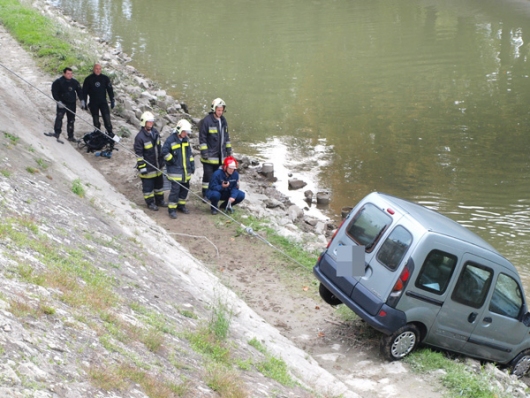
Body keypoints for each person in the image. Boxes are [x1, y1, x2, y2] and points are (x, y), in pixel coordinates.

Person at [134, 111, 167, 211]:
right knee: (148, 188)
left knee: (159, 186)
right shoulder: (140, 137)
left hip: (157, 165)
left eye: (152, 122)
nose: (151, 124)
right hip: (147, 167)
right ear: (144, 123)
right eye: (149, 122)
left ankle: (160, 200)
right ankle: (150, 203)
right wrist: (142, 167)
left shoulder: (155, 132)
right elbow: (139, 154)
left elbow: (159, 148)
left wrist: (162, 160)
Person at [162, 119, 195, 219]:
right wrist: (172, 160)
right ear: (179, 130)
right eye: (184, 132)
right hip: (175, 171)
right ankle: (172, 209)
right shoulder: (170, 140)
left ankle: (181, 206)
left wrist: (192, 165)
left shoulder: (186, 141)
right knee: (175, 190)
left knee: (184, 189)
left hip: (185, 171)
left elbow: (189, 155)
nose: (185, 134)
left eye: (187, 132)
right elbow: (164, 152)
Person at [199, 98, 232, 197]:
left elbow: (226, 136)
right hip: (209, 156)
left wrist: (228, 150)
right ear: (214, 109)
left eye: (222, 110)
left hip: (219, 156)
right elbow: (202, 138)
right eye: (218, 110)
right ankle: (205, 194)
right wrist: (204, 152)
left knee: (216, 176)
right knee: (207, 176)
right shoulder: (207, 121)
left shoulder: (223, 121)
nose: (220, 112)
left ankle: (213, 193)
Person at [45, 67, 84, 143]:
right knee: (59, 117)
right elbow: (54, 91)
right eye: (68, 73)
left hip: (72, 104)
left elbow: (79, 91)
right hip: (62, 103)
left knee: (71, 120)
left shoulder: (74, 82)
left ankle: (70, 136)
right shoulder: (58, 82)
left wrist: (82, 100)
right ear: (64, 73)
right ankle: (57, 133)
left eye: (71, 73)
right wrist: (58, 101)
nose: (70, 75)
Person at [82, 63, 116, 150]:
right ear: (93, 69)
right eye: (96, 68)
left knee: (107, 120)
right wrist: (84, 101)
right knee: (96, 120)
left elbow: (110, 90)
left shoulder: (105, 78)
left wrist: (112, 99)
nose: (98, 70)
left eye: (99, 69)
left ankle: (110, 134)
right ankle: (97, 133)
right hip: (93, 103)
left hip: (103, 102)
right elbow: (84, 92)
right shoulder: (88, 79)